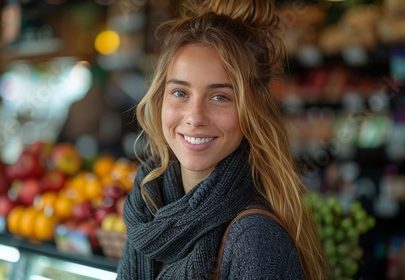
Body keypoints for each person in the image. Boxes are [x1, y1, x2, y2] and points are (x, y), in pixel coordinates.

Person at [116, 0, 329, 279]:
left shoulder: (254, 239)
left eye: (220, 97)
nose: (195, 117)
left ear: (251, 110)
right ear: (159, 99)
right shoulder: (147, 207)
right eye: (180, 92)